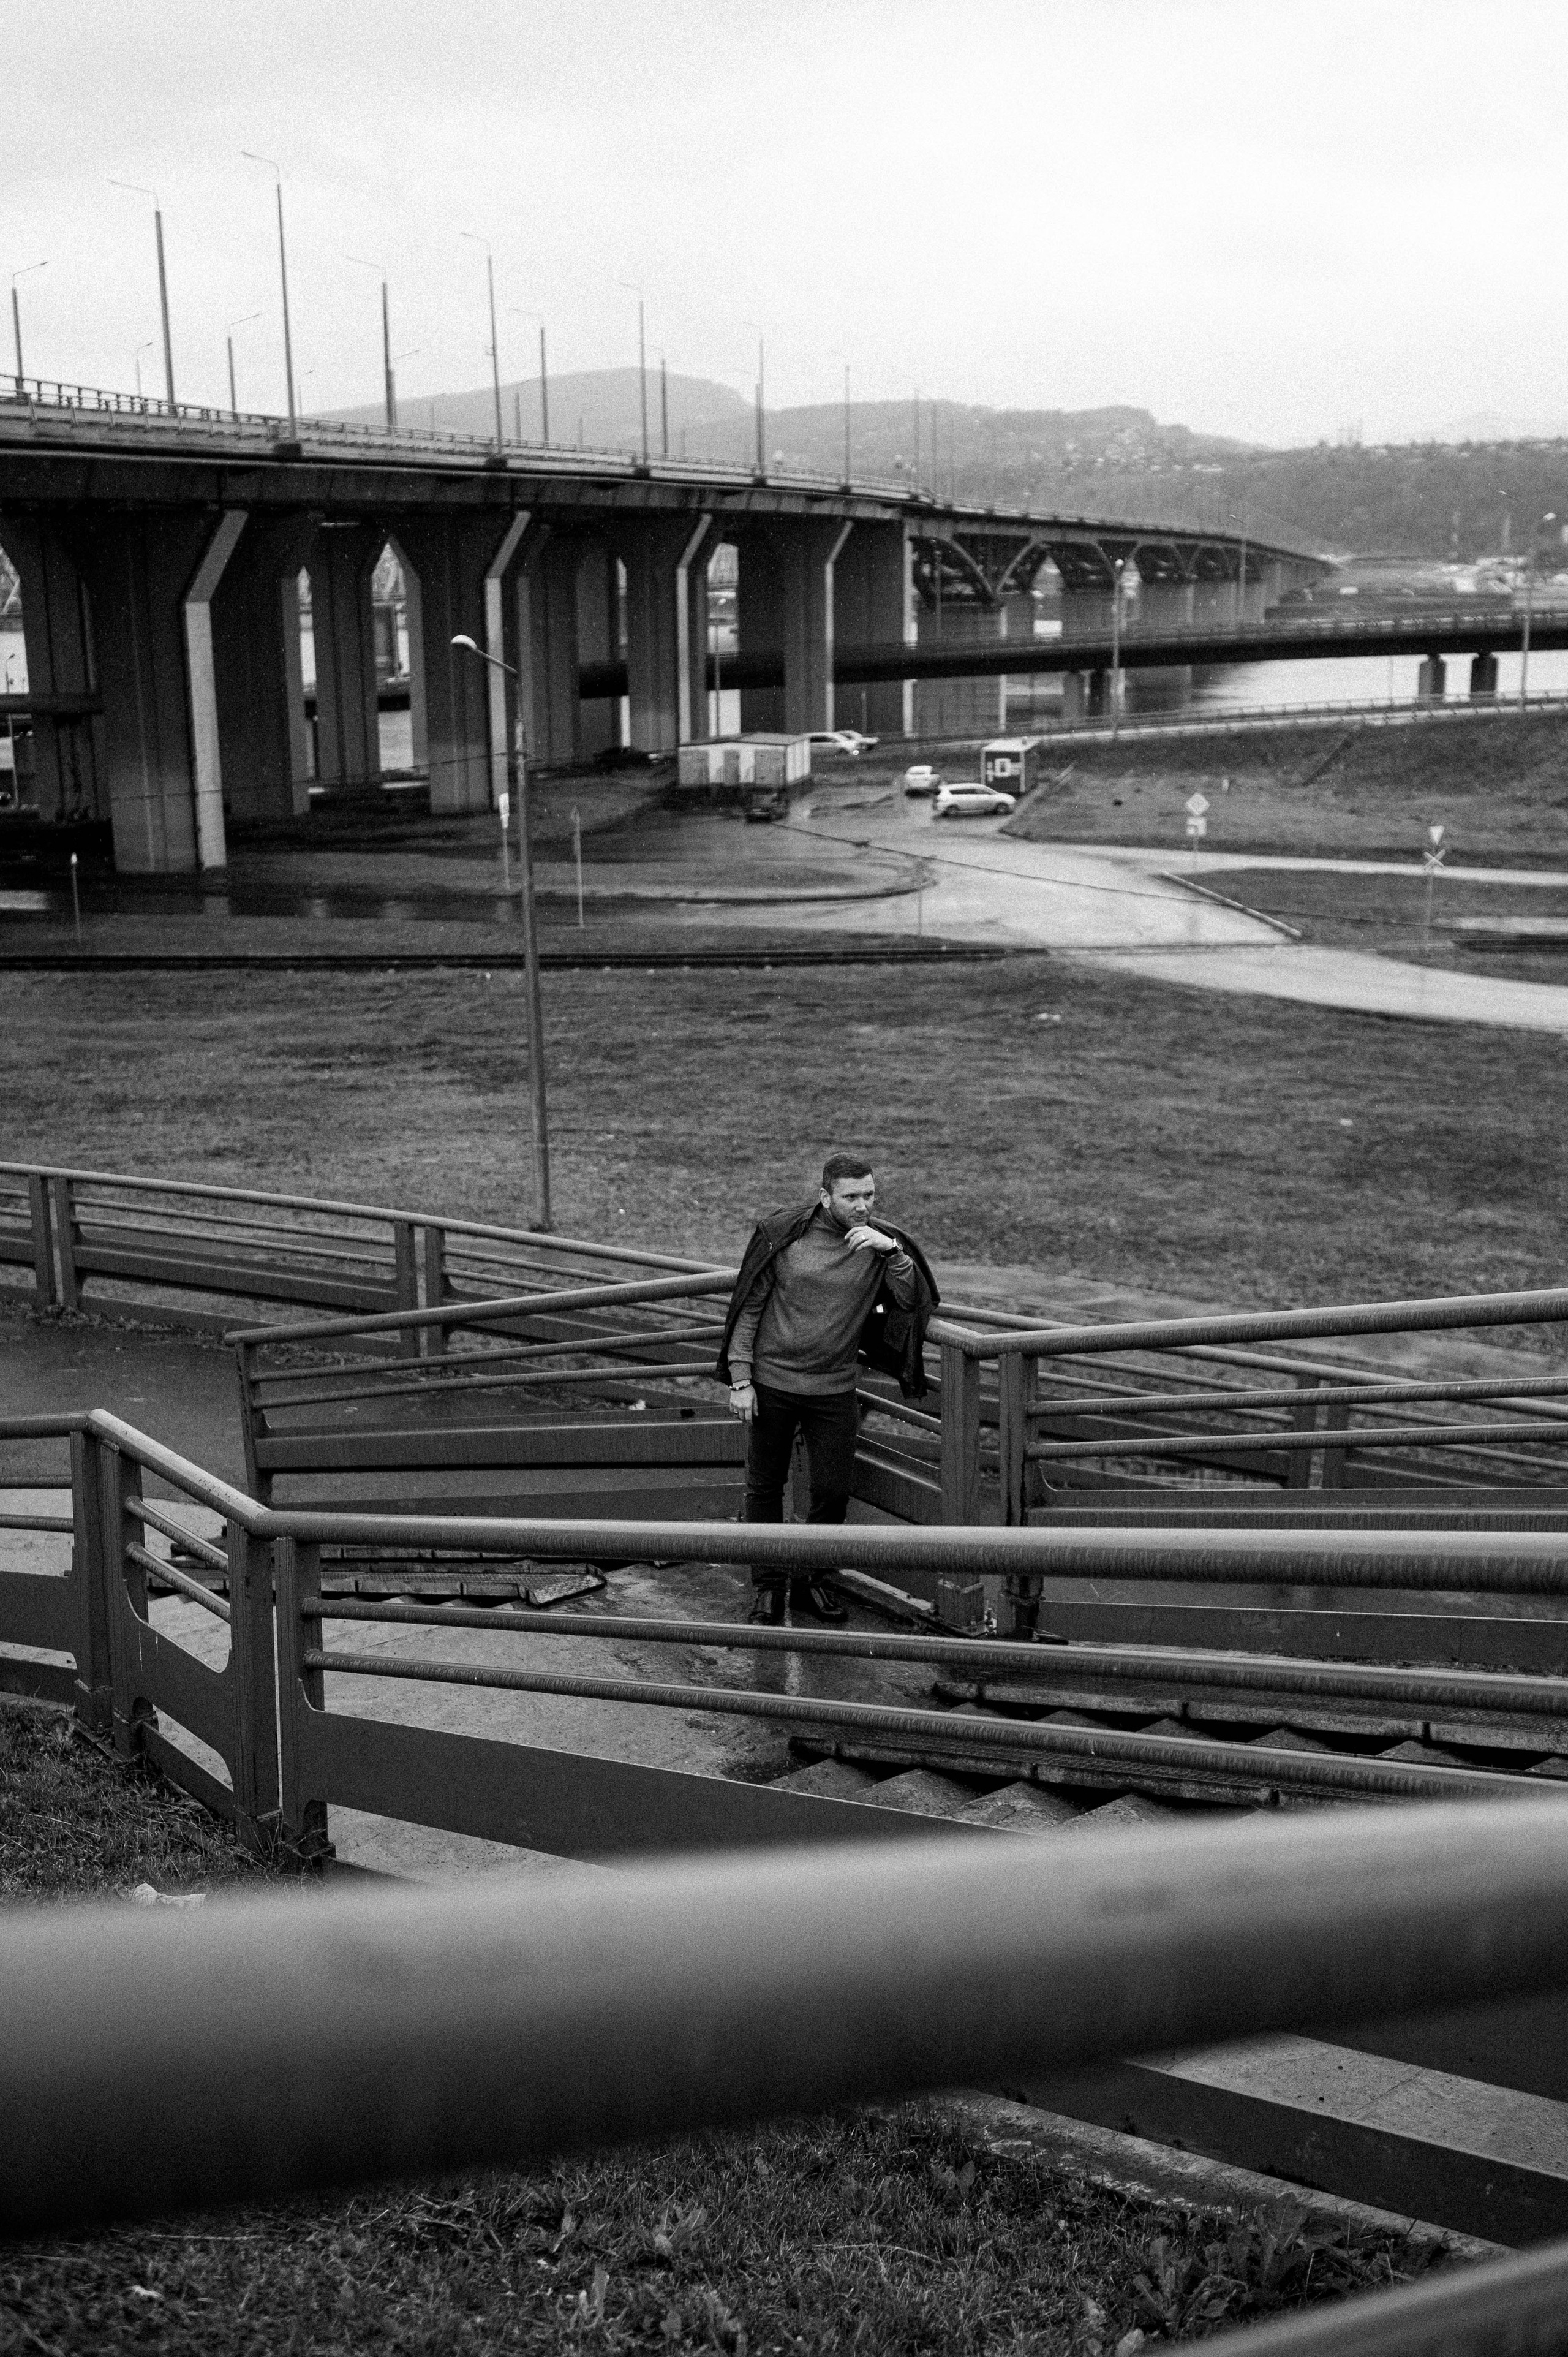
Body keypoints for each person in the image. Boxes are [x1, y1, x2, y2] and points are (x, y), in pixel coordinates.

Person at [716, 1154, 939, 1625]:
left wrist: (892, 1251)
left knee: (832, 1493)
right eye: (851, 1196)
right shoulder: (786, 1235)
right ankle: (770, 1588)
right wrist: (741, 1379)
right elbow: (749, 1306)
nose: (862, 1205)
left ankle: (812, 1582)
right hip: (771, 1383)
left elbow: (914, 1298)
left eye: (869, 1195)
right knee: (764, 1489)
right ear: (825, 1197)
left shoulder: (878, 1244)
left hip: (835, 1388)